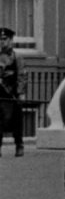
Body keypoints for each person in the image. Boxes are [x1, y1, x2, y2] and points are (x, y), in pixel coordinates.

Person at [0, 27, 27, 157]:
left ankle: (19, 145)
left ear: (11, 40)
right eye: (0, 39)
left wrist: (20, 93)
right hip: (0, 94)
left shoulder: (17, 57)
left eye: (4, 39)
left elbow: (21, 76)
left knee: (17, 121)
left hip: (12, 94)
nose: (1, 42)